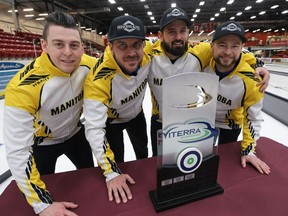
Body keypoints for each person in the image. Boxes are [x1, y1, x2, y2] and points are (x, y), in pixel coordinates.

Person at [3, 11, 98, 215]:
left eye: (74, 45)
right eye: (58, 44)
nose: (68, 52)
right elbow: (17, 151)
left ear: (82, 47)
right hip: (43, 144)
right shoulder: (22, 87)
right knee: (45, 199)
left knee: (91, 184)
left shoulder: (89, 64)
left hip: (76, 135)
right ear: (44, 46)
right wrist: (42, 205)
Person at [147, 7, 270, 156]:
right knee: (157, 161)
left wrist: (258, 64)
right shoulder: (149, 53)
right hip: (160, 120)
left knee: (195, 159)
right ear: (160, 35)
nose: (178, 37)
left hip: (191, 121)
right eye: (171, 31)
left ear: (188, 33)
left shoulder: (200, 52)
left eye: (183, 31)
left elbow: (231, 51)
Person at [83, 15, 150, 202]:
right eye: (122, 45)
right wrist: (111, 173)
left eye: (137, 45)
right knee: (117, 161)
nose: (131, 52)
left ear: (144, 45)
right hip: (112, 122)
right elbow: (94, 129)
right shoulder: (98, 79)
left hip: (137, 115)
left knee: (143, 153)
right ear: (110, 46)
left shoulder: (149, 54)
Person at [203, 21, 271, 175]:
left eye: (235, 46)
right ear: (212, 46)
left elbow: (253, 119)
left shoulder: (252, 81)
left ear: (241, 48)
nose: (228, 51)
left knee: (225, 167)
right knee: (202, 163)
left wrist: (248, 150)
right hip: (204, 121)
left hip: (231, 124)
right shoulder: (203, 63)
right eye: (222, 45)